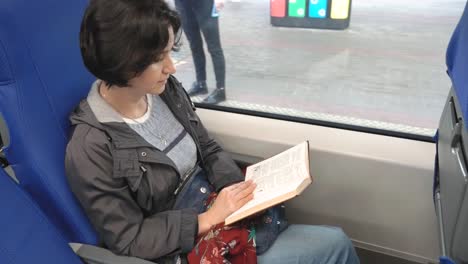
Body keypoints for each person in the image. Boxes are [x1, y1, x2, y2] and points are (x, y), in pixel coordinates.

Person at [65, 0, 361, 263]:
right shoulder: (91, 148)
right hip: (183, 243)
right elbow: (130, 238)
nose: (171, 68)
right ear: (124, 64)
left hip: (215, 205)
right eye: (158, 59)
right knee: (336, 244)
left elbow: (205, 146)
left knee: (329, 239)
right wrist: (207, 219)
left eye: (169, 53)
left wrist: (237, 189)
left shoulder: (162, 91)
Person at [174, 0, 227, 104]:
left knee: (214, 47)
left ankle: (221, 90)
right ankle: (201, 83)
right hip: (182, 4)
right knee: (195, 45)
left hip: (205, 3)